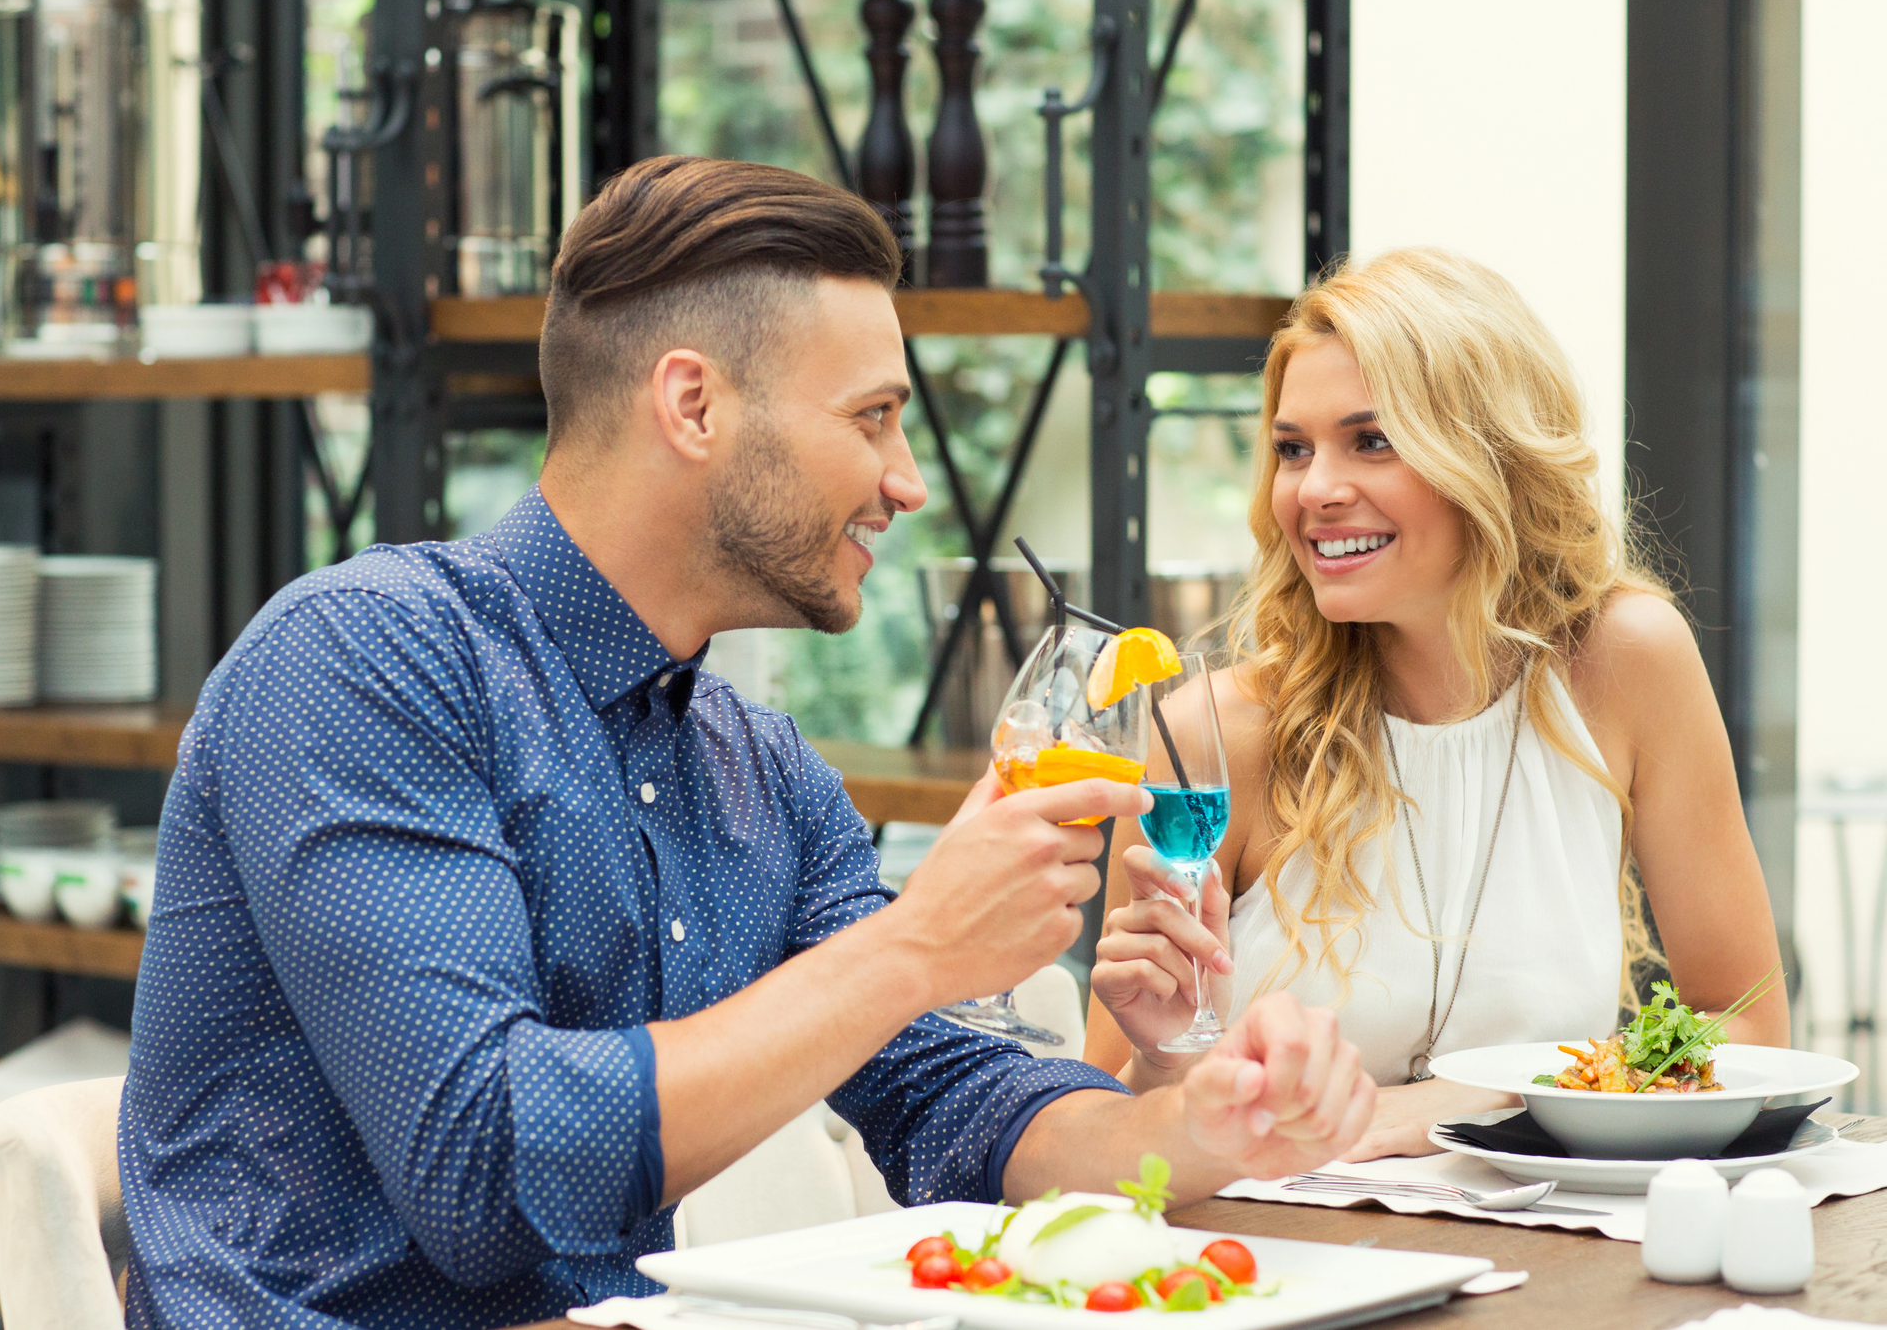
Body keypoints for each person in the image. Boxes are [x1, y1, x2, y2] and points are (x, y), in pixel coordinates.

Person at [118, 156, 1376, 1326]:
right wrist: (911, 948)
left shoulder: (761, 768)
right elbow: (483, 1172)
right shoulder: (368, 657)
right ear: (693, 403)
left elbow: (957, 1098)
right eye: (872, 417)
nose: (907, 481)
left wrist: (1200, 1130)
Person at [1083, 248, 1788, 1161]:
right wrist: (1163, 1055)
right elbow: (1098, 1126)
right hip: (1273, 1257)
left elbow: (1748, 1026)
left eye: (1370, 440)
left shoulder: (1625, 662)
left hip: (1538, 1258)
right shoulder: (1217, 738)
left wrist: (1471, 1094)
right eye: (1293, 449)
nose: (1315, 489)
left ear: (1489, 456)